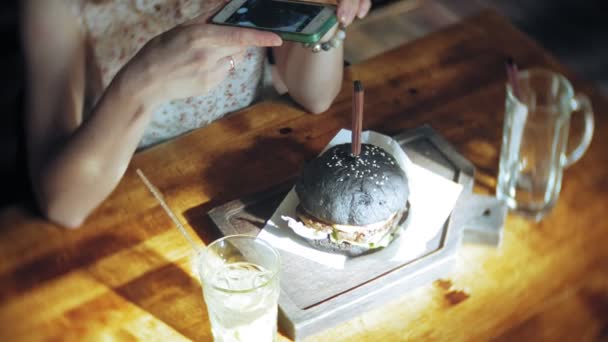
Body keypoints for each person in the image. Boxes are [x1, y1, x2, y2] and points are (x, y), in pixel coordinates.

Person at [21, 0, 371, 228]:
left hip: (250, 165)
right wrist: (144, 81)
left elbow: (315, 95)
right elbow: (64, 204)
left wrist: (329, 14)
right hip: (138, 198)